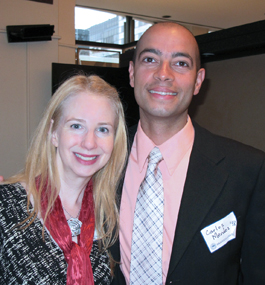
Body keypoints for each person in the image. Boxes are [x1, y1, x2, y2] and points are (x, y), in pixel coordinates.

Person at [111, 22, 265, 284]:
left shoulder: (248, 170)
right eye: (150, 59)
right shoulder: (98, 162)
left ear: (198, 81)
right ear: (132, 73)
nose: (163, 74)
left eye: (180, 63)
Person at [0, 74, 127, 284]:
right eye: (76, 126)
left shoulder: (109, 216)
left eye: (103, 129)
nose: (89, 143)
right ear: (53, 132)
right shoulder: (7, 206)